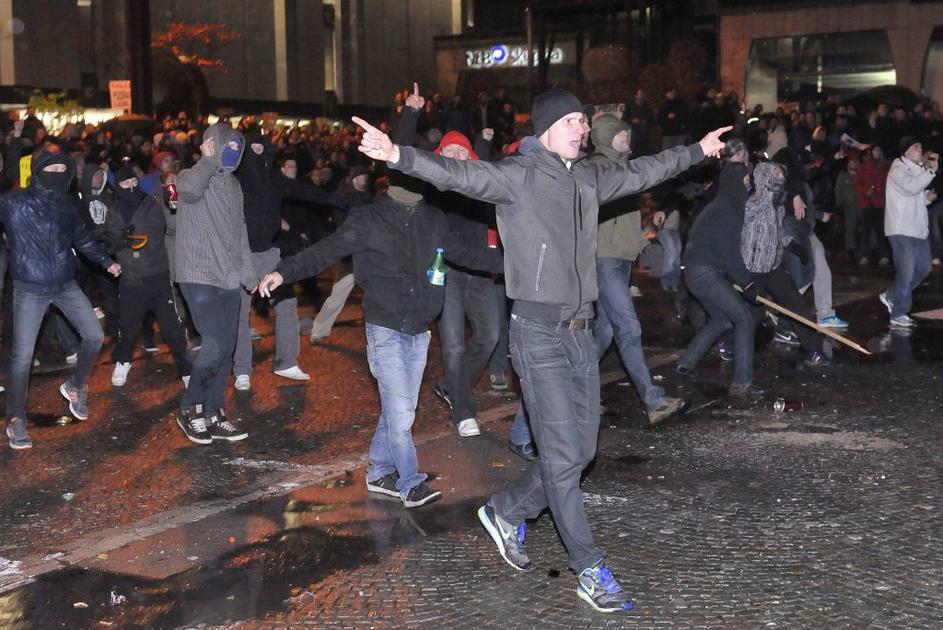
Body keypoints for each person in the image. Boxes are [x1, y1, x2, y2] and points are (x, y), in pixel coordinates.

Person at [351, 87, 728, 613]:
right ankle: (589, 568)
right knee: (560, 456)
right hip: (537, 334)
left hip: (580, 332)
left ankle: (506, 511)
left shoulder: (590, 177)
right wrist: (397, 154)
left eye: (583, 121)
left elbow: (645, 171)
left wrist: (697, 150)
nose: (581, 128)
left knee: (581, 452)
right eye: (571, 121)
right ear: (546, 128)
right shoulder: (518, 176)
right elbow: (457, 174)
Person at [256, 172, 502, 509]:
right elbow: (326, 250)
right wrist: (284, 271)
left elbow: (467, 254)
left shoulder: (433, 218)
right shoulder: (368, 218)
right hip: (384, 327)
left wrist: (516, 264)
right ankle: (410, 482)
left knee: (397, 409)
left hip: (419, 329)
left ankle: (378, 471)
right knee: (401, 413)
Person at [0, 150, 121, 449]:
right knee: (22, 357)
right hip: (30, 288)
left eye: (60, 170)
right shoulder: (14, 203)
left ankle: (75, 385)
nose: (56, 174)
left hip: (65, 284)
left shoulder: (68, 204)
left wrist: (106, 262)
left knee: (94, 336)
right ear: (37, 172)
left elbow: (82, 239)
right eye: (50, 169)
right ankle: (15, 418)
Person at [589, 114, 685, 424]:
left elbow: (619, 218)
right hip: (604, 260)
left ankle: (576, 393)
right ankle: (653, 400)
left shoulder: (623, 167)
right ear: (605, 136)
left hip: (620, 259)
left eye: (627, 133)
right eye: (619, 133)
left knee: (604, 333)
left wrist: (645, 223)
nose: (626, 137)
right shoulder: (598, 169)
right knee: (628, 329)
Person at [174, 123, 259, 445]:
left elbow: (240, 232)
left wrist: (249, 274)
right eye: (227, 146)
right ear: (211, 144)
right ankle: (190, 407)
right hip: (197, 273)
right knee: (213, 343)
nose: (232, 153)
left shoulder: (234, 186)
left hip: (228, 276)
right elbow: (189, 191)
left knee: (227, 346)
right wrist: (208, 161)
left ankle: (214, 412)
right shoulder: (190, 175)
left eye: (237, 149)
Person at [232, 132, 334, 391]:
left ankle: (286, 362)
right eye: (252, 147)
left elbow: (304, 191)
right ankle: (242, 370)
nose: (257, 151)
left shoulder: (273, 178)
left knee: (287, 304)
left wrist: (339, 200)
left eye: (261, 147)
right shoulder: (236, 179)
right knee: (240, 314)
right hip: (241, 254)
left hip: (269, 253)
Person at [675, 149, 763, 398]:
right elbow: (730, 253)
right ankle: (742, 382)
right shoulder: (727, 210)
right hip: (705, 273)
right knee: (744, 318)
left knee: (722, 320)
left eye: (748, 180)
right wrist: (747, 283)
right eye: (743, 180)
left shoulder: (723, 205)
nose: (747, 185)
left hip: (697, 273)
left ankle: (686, 363)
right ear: (733, 182)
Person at [104, 166, 192, 387]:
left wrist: (129, 239)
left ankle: (186, 369)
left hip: (157, 275)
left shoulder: (150, 203)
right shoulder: (113, 210)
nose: (131, 186)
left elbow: (154, 232)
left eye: (134, 182)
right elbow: (112, 238)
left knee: (172, 328)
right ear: (118, 186)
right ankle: (123, 361)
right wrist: (118, 242)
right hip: (131, 278)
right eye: (126, 183)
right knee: (128, 327)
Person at [880, 136, 937, 329]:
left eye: (921, 146)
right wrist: (931, 171)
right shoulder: (898, 169)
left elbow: (916, 196)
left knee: (924, 267)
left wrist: (928, 197)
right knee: (907, 271)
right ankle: (898, 313)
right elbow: (911, 188)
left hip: (917, 229)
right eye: (916, 147)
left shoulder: (917, 169)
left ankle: (891, 296)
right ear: (906, 151)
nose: (920, 150)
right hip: (900, 228)